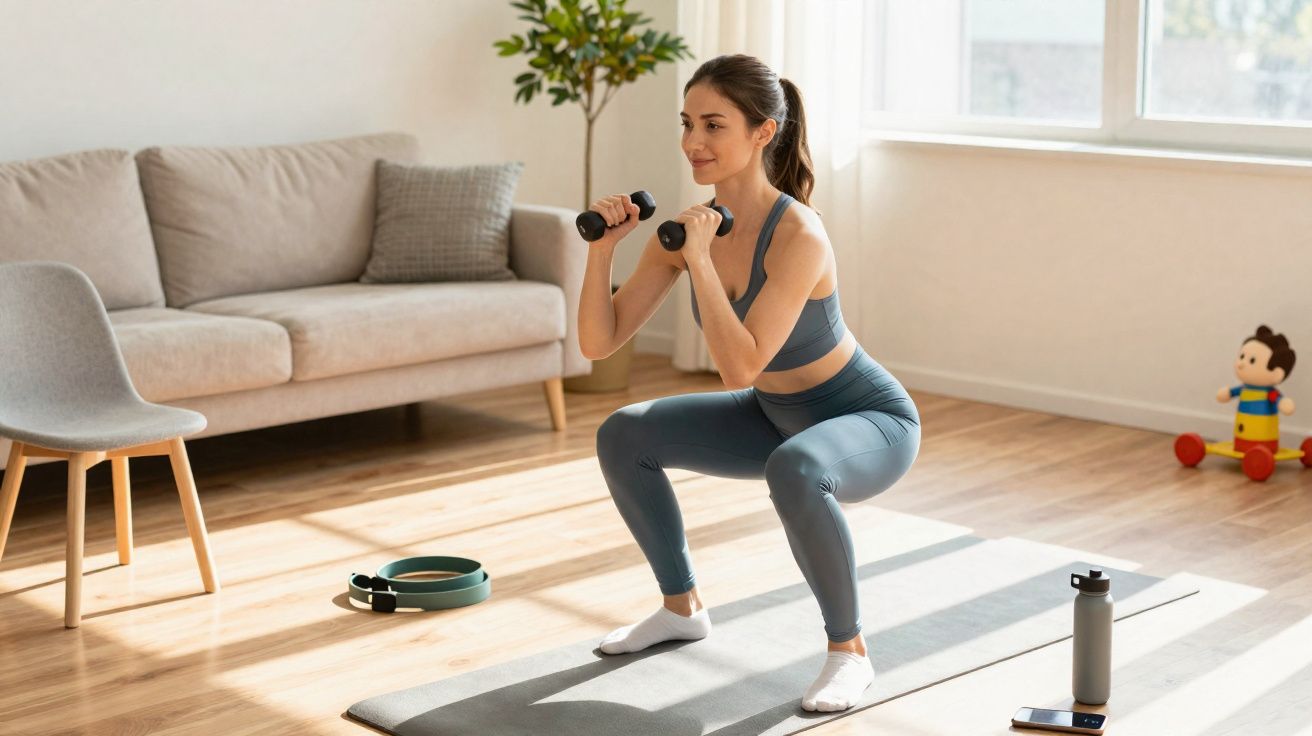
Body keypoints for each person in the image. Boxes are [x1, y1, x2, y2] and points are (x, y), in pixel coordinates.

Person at [577, 53, 920, 713]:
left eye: (714, 125)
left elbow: (740, 365)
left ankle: (849, 655)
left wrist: (700, 260)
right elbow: (598, 342)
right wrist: (602, 252)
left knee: (796, 469)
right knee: (625, 434)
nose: (693, 143)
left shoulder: (799, 234)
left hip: (867, 421)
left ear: (762, 132)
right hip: (773, 415)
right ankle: (681, 608)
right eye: (687, 124)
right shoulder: (688, 232)